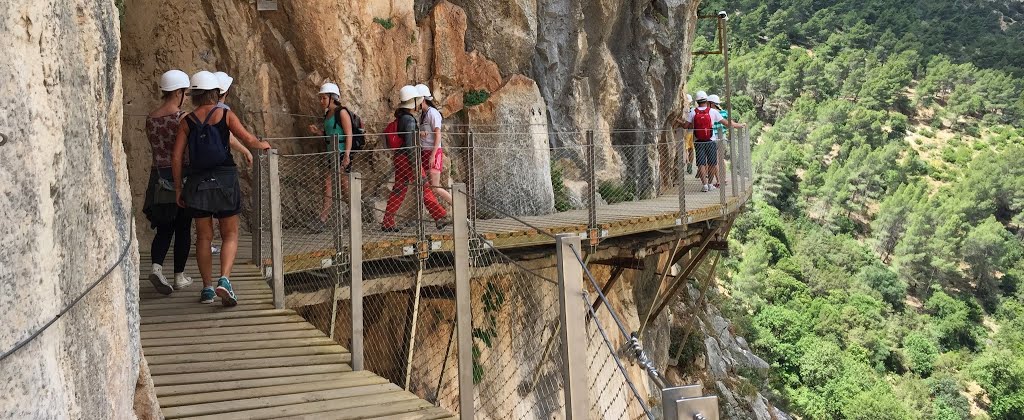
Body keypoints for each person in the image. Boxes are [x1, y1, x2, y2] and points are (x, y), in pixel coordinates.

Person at [172, 71, 271, 306]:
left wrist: (178, 189)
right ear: (216, 92)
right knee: (230, 234)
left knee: (204, 237)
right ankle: (224, 280)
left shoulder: (186, 121)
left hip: (197, 183)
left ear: (194, 94)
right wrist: (261, 145)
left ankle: (207, 288)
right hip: (225, 180)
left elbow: (176, 157)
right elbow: (248, 139)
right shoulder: (224, 114)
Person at [143, 70, 194, 295]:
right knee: (183, 226)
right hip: (179, 175)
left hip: (158, 177)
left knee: (164, 227)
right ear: (178, 93)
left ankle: (156, 267)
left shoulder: (151, 118)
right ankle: (179, 276)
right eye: (185, 92)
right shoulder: (182, 118)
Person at [381, 85, 449, 232]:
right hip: (408, 159)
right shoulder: (410, 120)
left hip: (399, 157)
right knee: (424, 186)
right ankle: (440, 216)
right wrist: (415, 165)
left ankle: (388, 221)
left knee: (399, 189)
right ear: (413, 102)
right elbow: (411, 145)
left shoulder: (400, 118)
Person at [307, 82, 355, 232]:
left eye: (323, 98)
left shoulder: (342, 113)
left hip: (340, 153)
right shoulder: (327, 114)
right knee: (343, 186)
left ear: (332, 98)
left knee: (331, 184)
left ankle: (323, 219)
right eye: (321, 98)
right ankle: (357, 213)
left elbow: (349, 134)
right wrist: (318, 132)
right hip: (331, 153)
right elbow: (329, 135)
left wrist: (347, 154)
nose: (321, 101)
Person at [683, 91, 744, 192]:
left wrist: (679, 122)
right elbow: (726, 123)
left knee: (701, 163)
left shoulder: (693, 112)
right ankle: (710, 183)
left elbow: (686, 126)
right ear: (706, 100)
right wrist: (738, 125)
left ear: (697, 101)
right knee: (712, 163)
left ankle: (704, 185)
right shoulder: (712, 112)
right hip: (711, 141)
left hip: (698, 141)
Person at [415, 84, 452, 205]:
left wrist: (433, 154)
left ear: (422, 99)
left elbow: (438, 134)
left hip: (433, 151)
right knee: (427, 186)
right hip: (425, 151)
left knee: (435, 187)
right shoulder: (423, 115)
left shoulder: (433, 113)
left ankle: (459, 206)